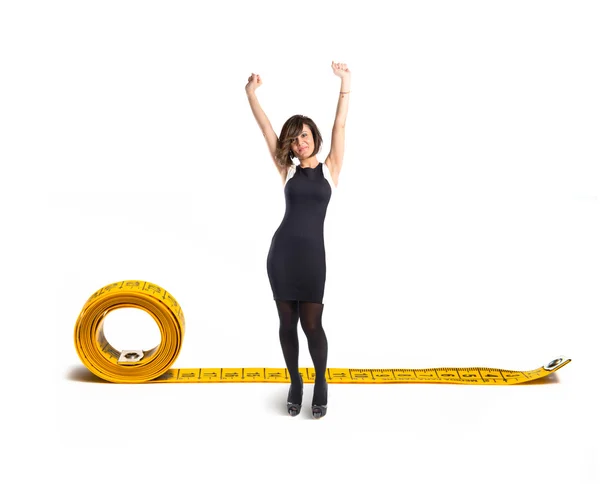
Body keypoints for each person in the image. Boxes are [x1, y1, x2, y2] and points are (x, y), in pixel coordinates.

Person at [245, 61, 350, 419]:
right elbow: (264, 127)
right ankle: (295, 381)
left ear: (314, 138)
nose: (299, 142)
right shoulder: (286, 169)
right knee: (286, 324)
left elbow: (340, 123)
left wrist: (345, 83)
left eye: (304, 135)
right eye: (294, 138)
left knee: (312, 325)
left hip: (312, 260)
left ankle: (320, 381)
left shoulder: (331, 169)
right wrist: (251, 94)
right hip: (282, 256)